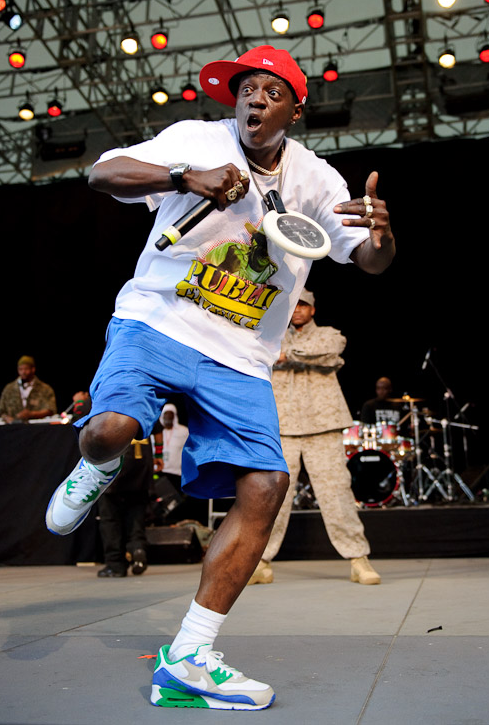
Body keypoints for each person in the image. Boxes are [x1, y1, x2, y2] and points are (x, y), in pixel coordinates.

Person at [45, 44, 395, 711]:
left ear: (295, 106)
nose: (253, 99)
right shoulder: (196, 139)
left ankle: (189, 658)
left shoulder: (315, 179)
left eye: (270, 91)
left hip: (239, 356)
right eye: (245, 89)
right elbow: (100, 172)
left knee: (266, 484)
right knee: (110, 431)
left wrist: (381, 235)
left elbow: (368, 260)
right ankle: (94, 466)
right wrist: (185, 176)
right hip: (157, 321)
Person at [248, 289, 381, 587]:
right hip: (281, 426)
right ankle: (261, 561)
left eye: (303, 305)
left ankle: (358, 559)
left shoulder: (328, 334)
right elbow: (254, 355)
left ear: (312, 310)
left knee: (336, 494)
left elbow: (331, 351)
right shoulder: (270, 335)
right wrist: (277, 354)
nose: (297, 310)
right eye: (294, 305)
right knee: (272, 498)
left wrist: (286, 356)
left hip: (323, 425)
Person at [97, 423, 164, 578]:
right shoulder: (146, 399)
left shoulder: (106, 398)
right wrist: (159, 455)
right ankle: (137, 548)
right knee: (137, 512)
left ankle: (115, 564)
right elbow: (158, 430)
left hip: (116, 460)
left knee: (110, 518)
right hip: (141, 463)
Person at [0, 355, 57, 423]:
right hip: (12, 429)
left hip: (38, 429)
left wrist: (32, 414)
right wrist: (10, 420)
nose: (23, 372)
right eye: (20, 369)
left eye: (26, 369)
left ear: (33, 369)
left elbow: (51, 410)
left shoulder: (45, 389)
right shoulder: (9, 388)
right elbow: (1, 411)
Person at [158, 403, 189, 491]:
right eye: (166, 415)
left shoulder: (183, 431)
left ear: (174, 416)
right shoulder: (158, 433)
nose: (168, 418)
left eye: (170, 415)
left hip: (176, 473)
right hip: (160, 472)